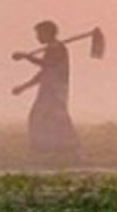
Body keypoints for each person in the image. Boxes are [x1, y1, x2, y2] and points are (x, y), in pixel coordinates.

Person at [12, 20, 80, 157]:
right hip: (48, 90)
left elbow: (48, 65)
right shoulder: (52, 49)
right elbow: (44, 73)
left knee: (51, 118)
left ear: (48, 33)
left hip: (55, 91)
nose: (38, 37)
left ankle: (68, 149)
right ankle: (53, 150)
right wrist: (24, 87)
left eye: (39, 34)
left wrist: (27, 57)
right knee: (47, 118)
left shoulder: (58, 49)